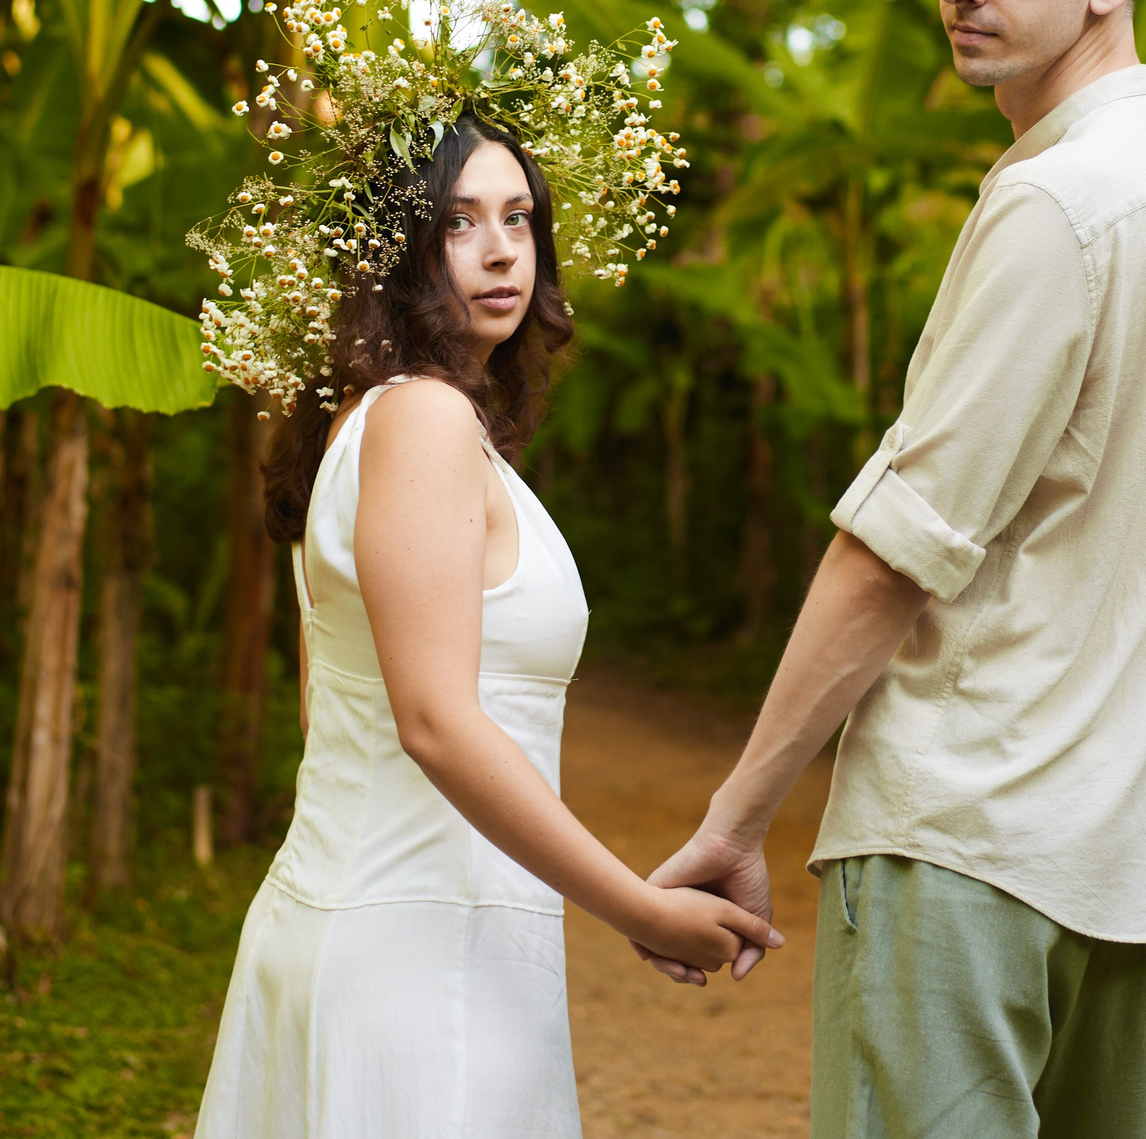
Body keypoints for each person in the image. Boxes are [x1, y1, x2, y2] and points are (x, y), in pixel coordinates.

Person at [642, 0, 1146, 1138]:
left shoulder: (1052, 199)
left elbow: (901, 541)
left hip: (967, 830)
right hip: (1138, 851)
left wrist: (739, 815)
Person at [195, 112, 778, 1139]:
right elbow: (432, 720)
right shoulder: (418, 419)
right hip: (414, 956)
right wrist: (639, 910)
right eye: (458, 222)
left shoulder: (380, 417)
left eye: (520, 217)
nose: (503, 248)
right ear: (392, 249)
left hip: (381, 923)